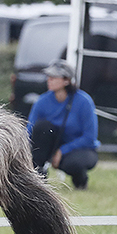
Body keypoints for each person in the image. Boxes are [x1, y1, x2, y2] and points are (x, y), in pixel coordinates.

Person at [27, 59, 100, 190]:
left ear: (66, 80)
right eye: (48, 76)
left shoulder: (84, 101)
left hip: (79, 149)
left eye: (54, 77)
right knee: (42, 127)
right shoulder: (42, 101)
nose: (49, 79)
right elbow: (30, 130)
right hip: (53, 145)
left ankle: (81, 180)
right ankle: (38, 178)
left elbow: (90, 137)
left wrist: (62, 151)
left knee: (73, 163)